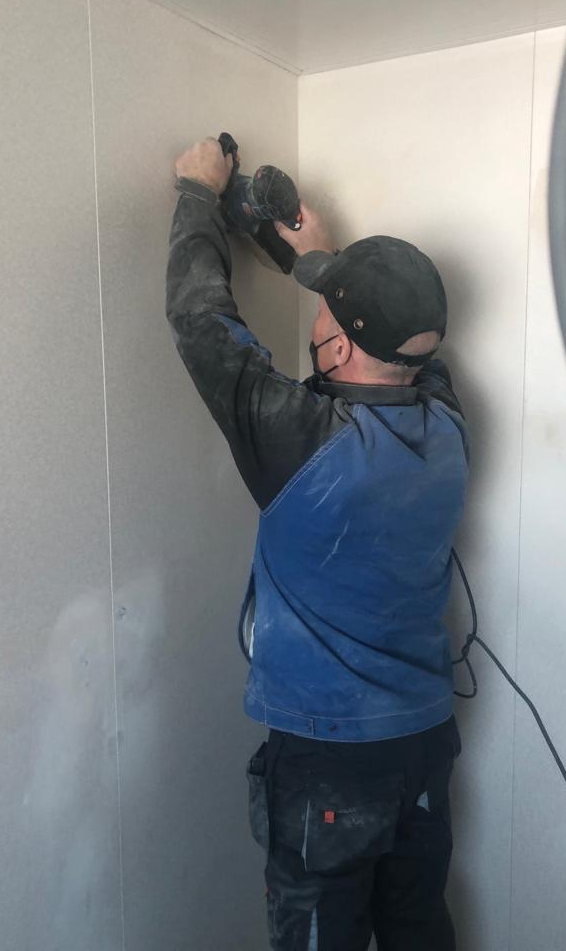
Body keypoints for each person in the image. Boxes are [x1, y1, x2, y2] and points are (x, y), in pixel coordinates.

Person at [168, 138, 469, 951]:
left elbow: (202, 324)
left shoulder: (303, 442)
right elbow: (401, 350)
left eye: (328, 313)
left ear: (338, 345)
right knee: (417, 929)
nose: (319, 319)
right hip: (422, 745)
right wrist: (319, 264)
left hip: (331, 762)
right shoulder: (449, 425)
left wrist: (196, 192)